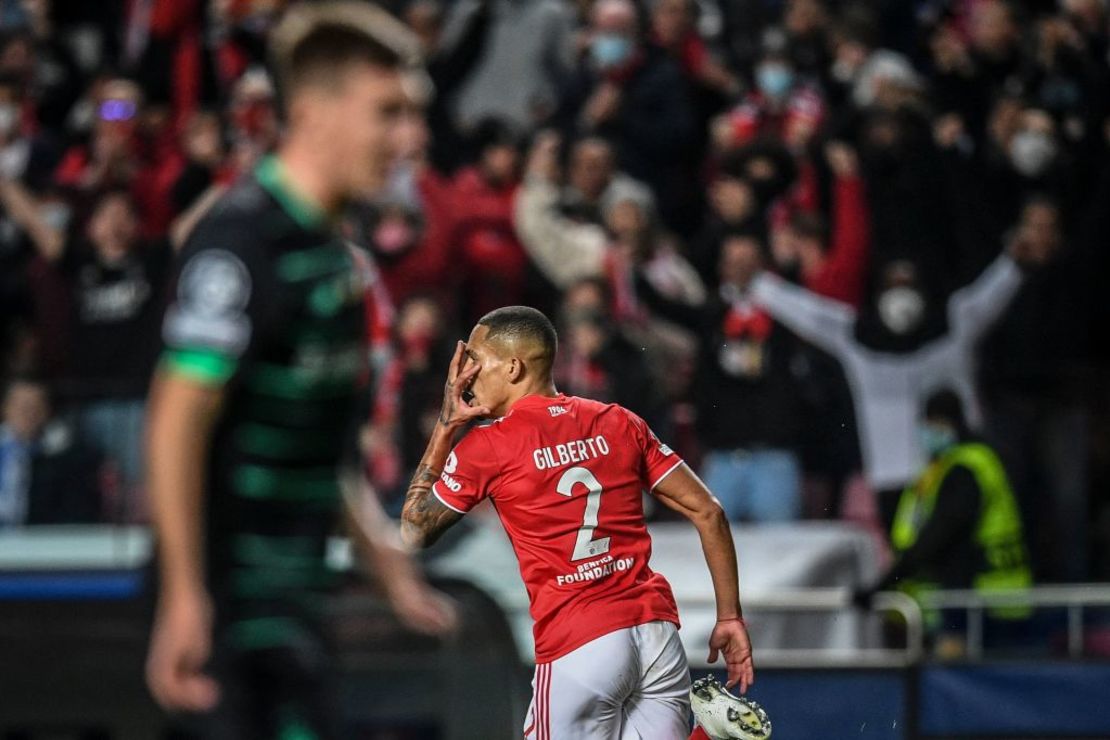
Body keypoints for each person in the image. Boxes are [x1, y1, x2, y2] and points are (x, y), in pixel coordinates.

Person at [143, 4, 455, 737]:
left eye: (411, 114)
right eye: (388, 113)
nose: (408, 139)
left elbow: (323, 446)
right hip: (225, 612)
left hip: (296, 600)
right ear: (313, 112)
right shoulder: (239, 240)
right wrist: (184, 596)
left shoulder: (336, 263)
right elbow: (175, 416)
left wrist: (378, 551)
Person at [400, 306, 755, 739]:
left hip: (580, 641)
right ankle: (710, 735)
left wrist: (445, 425)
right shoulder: (618, 421)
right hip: (655, 637)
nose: (465, 376)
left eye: (475, 359)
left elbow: (413, 531)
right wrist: (729, 617)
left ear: (512, 367)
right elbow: (709, 511)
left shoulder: (489, 447)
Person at [854, 389, 1031, 657]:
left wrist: (884, 584)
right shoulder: (959, 465)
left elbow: (939, 535)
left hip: (978, 600)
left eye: (933, 423)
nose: (927, 432)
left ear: (951, 423)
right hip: (987, 597)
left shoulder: (965, 469)